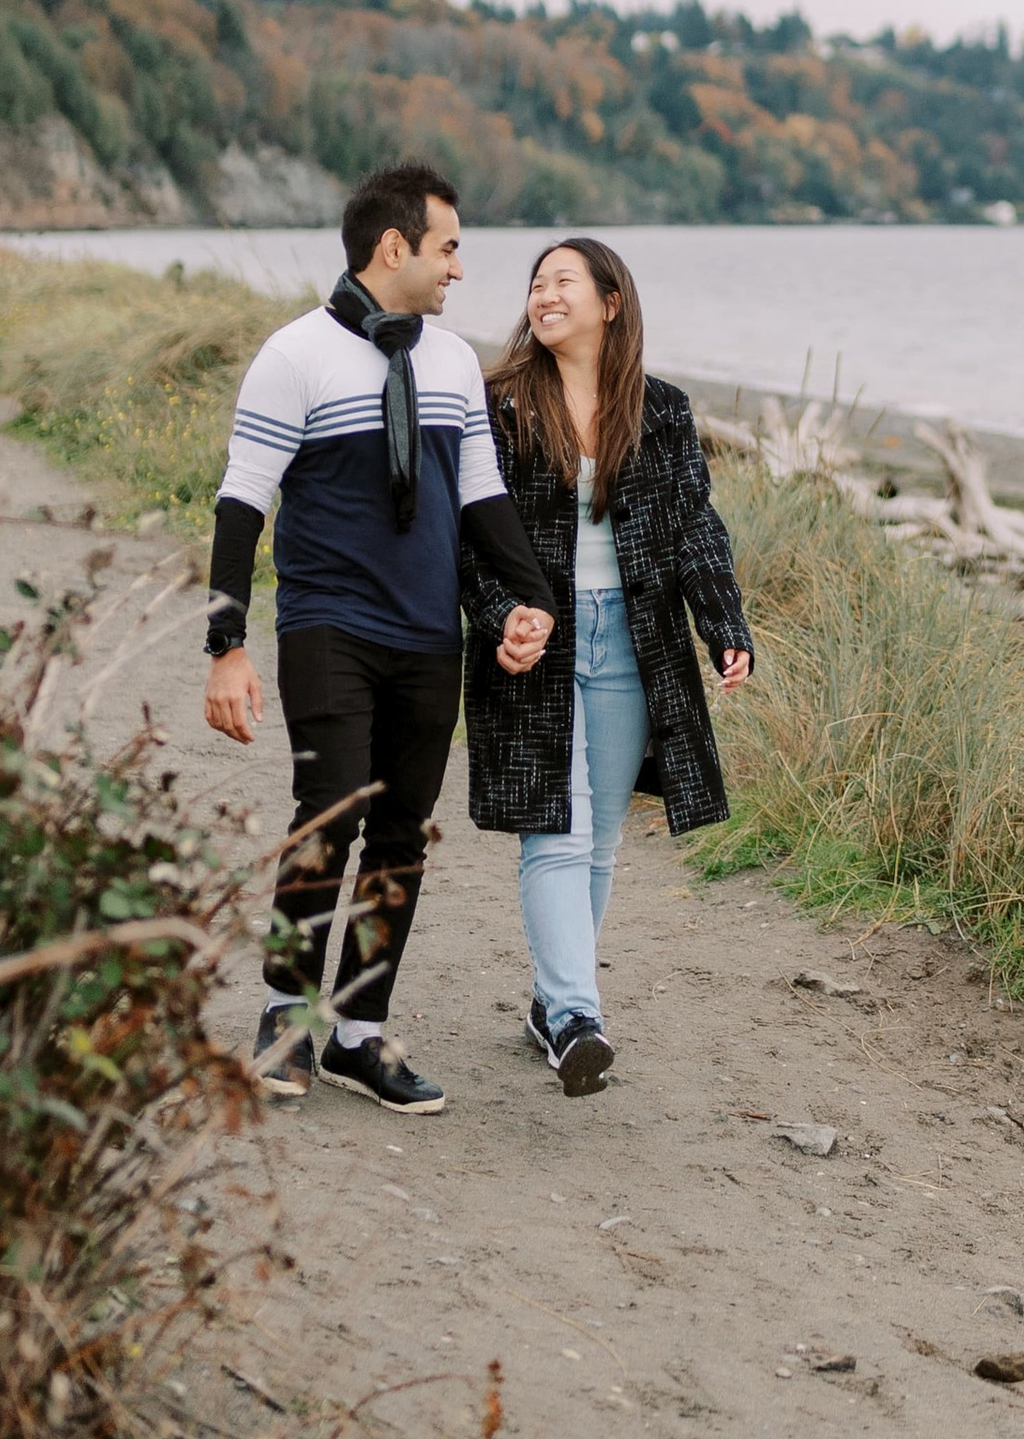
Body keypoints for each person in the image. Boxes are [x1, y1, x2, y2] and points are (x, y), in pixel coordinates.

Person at [204, 158, 555, 1113]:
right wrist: (226, 644)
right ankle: (286, 1017)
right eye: (447, 249)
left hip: (427, 636)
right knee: (330, 816)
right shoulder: (295, 355)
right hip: (329, 626)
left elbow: (480, 496)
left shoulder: (448, 362)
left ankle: (358, 1033)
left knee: (401, 834)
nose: (458, 270)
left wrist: (531, 597)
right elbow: (243, 502)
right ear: (391, 247)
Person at [464, 236, 752, 1095]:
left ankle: (555, 1002)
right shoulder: (502, 404)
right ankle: (577, 1015)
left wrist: (723, 622)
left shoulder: (659, 408)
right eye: (536, 283)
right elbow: (468, 529)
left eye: (564, 281)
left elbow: (695, 522)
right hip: (537, 637)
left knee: (604, 838)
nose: (544, 294)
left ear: (610, 301)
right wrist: (498, 615)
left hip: (639, 637)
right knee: (558, 825)